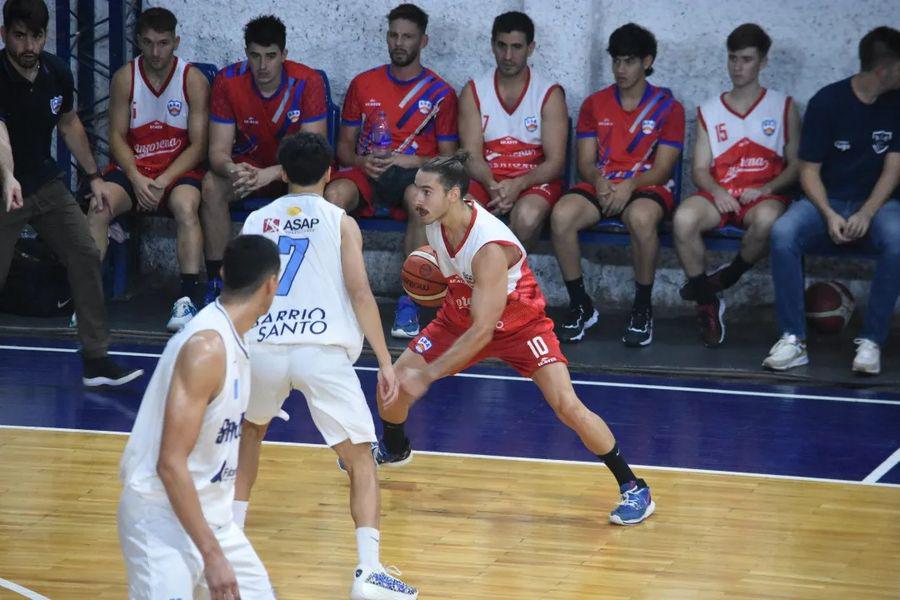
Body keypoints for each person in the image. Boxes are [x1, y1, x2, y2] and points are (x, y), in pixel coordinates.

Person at [375, 153, 655, 526]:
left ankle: (634, 487)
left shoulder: (489, 247)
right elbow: (459, 296)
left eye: (427, 192)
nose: (417, 199)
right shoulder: (434, 222)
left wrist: (427, 375)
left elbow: (482, 331)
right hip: (461, 313)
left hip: (517, 323)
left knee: (567, 406)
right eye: (417, 190)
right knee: (391, 387)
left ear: (455, 195)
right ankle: (396, 447)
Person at [234, 132, 418, 599]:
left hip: (265, 347)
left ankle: (230, 546)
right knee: (360, 458)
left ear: (282, 172)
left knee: (248, 435)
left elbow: (238, 292)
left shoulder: (256, 218)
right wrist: (385, 360)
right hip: (322, 351)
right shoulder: (340, 220)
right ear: (330, 173)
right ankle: (369, 572)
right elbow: (360, 293)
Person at [118, 234, 279, 599]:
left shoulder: (239, 339)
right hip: (160, 517)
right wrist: (212, 556)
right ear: (272, 284)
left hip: (212, 518)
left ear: (222, 273)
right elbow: (171, 463)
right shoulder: (206, 349)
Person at [0, 0, 143, 387]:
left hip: (45, 184)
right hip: (3, 187)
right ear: (4, 35)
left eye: (37, 36)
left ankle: (96, 359)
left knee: (83, 252)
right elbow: (0, 136)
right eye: (19, 36)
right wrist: (8, 176)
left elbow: (68, 124)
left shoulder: (56, 73)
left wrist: (95, 177)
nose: (29, 46)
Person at [764, 26, 900, 375]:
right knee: (783, 233)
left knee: (898, 240)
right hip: (827, 199)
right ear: (884, 69)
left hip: (878, 204)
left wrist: (867, 213)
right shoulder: (829, 101)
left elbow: (892, 170)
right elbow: (808, 170)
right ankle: (793, 339)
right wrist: (827, 214)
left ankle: (871, 342)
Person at [323, 3, 458, 340]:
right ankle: (333, 298)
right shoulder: (363, 83)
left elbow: (448, 159)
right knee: (333, 197)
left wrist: (407, 161)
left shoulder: (440, 93)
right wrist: (359, 162)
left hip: (414, 175)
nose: (399, 43)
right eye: (394, 35)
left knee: (420, 202)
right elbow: (343, 148)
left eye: (408, 37)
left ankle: (409, 302)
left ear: (423, 42)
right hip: (367, 171)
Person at [550, 23, 685, 346]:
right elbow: (585, 162)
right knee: (561, 216)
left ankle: (642, 308)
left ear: (647, 62)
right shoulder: (595, 104)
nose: (621, 69)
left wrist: (630, 185)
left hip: (647, 187)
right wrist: (599, 181)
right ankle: (581, 304)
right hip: (604, 184)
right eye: (617, 61)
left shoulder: (669, 108)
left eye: (630, 61)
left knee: (641, 219)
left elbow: (664, 167)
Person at [672, 23, 800, 347]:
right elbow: (700, 169)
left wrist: (768, 188)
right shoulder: (710, 110)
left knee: (770, 221)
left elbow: (797, 165)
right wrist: (717, 191)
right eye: (732, 58)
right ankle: (707, 301)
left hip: (763, 193)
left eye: (746, 59)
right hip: (721, 192)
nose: (738, 67)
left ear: (763, 62)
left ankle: (726, 277)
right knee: (683, 219)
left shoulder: (783, 106)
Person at [86, 6, 209, 331]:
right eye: (150, 43)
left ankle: (186, 299)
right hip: (135, 171)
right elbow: (114, 136)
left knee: (185, 206)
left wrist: (162, 181)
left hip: (177, 172)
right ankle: (88, 298)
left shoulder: (192, 80)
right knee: (99, 206)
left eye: (164, 43)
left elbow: (199, 146)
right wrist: (138, 178)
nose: (156, 51)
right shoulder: (125, 77)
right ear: (139, 41)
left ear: (176, 42)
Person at [202, 14, 327, 306]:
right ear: (246, 53)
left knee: (319, 188)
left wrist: (272, 173)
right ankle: (218, 282)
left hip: (291, 175)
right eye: (255, 56)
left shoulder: (307, 81)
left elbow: (314, 153)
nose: (262, 66)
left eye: (271, 56)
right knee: (210, 185)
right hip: (245, 174)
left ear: (284, 54)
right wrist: (233, 170)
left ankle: (307, 288)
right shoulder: (227, 81)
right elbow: (217, 152)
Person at [458, 10, 567, 250]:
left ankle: (507, 282)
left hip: (533, 180)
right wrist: (492, 185)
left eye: (517, 47)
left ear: (531, 48)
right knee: (459, 214)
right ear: (492, 45)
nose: (508, 55)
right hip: (489, 179)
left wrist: (518, 184)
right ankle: (480, 282)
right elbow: (471, 155)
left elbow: (555, 162)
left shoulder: (549, 94)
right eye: (502, 46)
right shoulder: (474, 91)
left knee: (526, 218)